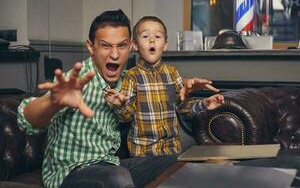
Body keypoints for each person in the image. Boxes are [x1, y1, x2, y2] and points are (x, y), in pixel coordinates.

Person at [17, 10, 219, 188]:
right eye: (105, 46)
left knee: (181, 163)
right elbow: (27, 120)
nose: (114, 54)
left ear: (131, 46)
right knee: (117, 177)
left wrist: (184, 85)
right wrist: (52, 102)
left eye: (121, 46)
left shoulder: (128, 79)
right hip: (71, 172)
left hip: (111, 164)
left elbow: (153, 81)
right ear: (91, 47)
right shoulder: (76, 80)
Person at [104, 16, 225, 157]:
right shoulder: (132, 76)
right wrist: (121, 105)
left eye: (157, 36)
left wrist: (204, 103)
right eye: (145, 36)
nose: (152, 40)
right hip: (143, 153)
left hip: (172, 150)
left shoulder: (172, 73)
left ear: (165, 44)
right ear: (135, 45)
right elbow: (126, 116)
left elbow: (182, 107)